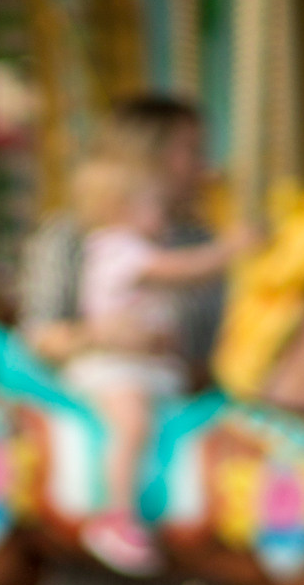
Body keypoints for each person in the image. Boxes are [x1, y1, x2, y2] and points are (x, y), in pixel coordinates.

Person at [61, 149, 249, 576]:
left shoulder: (135, 249)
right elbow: (184, 269)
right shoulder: (117, 249)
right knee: (132, 425)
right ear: (120, 209)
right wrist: (232, 248)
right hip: (118, 369)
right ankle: (114, 516)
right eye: (153, 206)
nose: (164, 215)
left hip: (150, 369)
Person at [22, 91, 227, 387]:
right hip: (100, 384)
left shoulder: (197, 238)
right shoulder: (71, 235)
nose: (203, 166)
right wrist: (97, 336)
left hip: (173, 386)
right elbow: (39, 334)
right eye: (191, 151)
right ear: (149, 153)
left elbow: (214, 348)